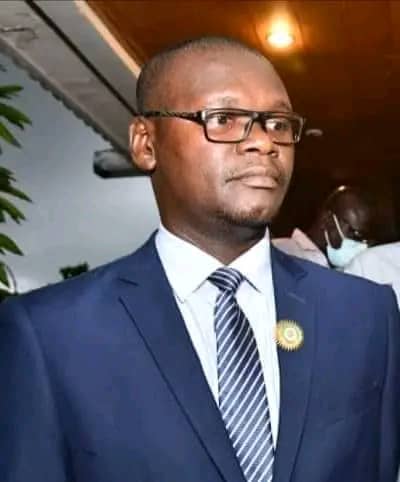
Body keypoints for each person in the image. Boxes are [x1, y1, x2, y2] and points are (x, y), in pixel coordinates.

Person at [0, 36, 399, 482]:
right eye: (223, 119)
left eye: (277, 123)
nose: (263, 142)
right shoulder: (50, 335)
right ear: (145, 143)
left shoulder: (367, 314)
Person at [273, 185, 377, 268]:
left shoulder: (351, 269)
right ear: (327, 220)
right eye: (354, 233)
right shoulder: (280, 252)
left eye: (364, 238)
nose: (361, 245)